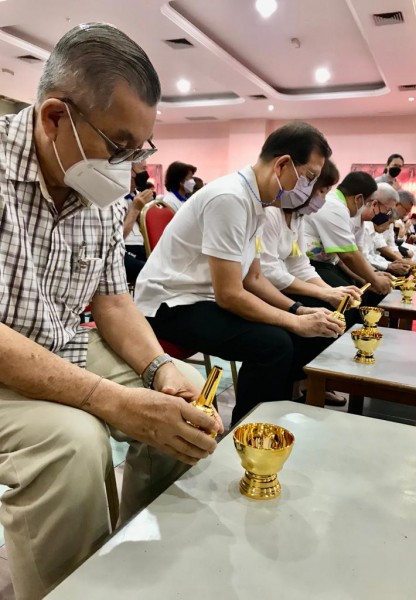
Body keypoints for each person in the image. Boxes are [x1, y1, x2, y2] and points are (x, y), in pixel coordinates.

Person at [0, 23, 222, 600]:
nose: (128, 168)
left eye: (140, 150)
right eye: (119, 146)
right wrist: (111, 400)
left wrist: (160, 370)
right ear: (55, 117)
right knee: (72, 445)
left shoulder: (94, 187)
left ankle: (144, 572)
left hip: (58, 346)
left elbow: (113, 300)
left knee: (185, 407)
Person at [135, 122, 344, 425]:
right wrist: (295, 321)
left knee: (288, 335)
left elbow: (253, 279)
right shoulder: (230, 198)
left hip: (201, 298)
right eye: (309, 177)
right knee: (274, 343)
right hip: (169, 305)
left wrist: (298, 310)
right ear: (283, 164)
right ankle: (248, 433)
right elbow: (230, 294)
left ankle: (271, 422)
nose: (309, 188)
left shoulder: (258, 202)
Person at [259, 159, 360, 407]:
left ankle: (308, 382)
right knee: (307, 320)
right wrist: (323, 295)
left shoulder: (297, 217)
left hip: (281, 282)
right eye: (321, 191)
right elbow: (268, 272)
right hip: (264, 288)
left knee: (338, 308)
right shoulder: (270, 213)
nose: (323, 199)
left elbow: (300, 264)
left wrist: (331, 291)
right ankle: (293, 389)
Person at [303, 174, 396, 300]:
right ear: (358, 199)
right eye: (368, 203)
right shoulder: (335, 207)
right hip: (313, 264)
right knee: (350, 299)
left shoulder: (342, 207)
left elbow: (355, 253)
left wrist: (370, 276)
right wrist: (374, 279)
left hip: (327, 263)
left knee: (357, 292)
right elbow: (348, 255)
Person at [123, 162, 156, 283]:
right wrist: (135, 210)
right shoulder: (115, 198)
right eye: (142, 168)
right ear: (130, 172)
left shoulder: (139, 195)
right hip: (125, 247)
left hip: (142, 245)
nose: (145, 172)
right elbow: (118, 237)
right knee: (153, 273)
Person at [375, 189, 416, 266]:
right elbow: (378, 243)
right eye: (406, 210)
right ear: (397, 204)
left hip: (377, 256)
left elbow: (391, 244)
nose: (406, 214)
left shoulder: (392, 219)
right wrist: (400, 260)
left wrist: (401, 259)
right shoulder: (380, 216)